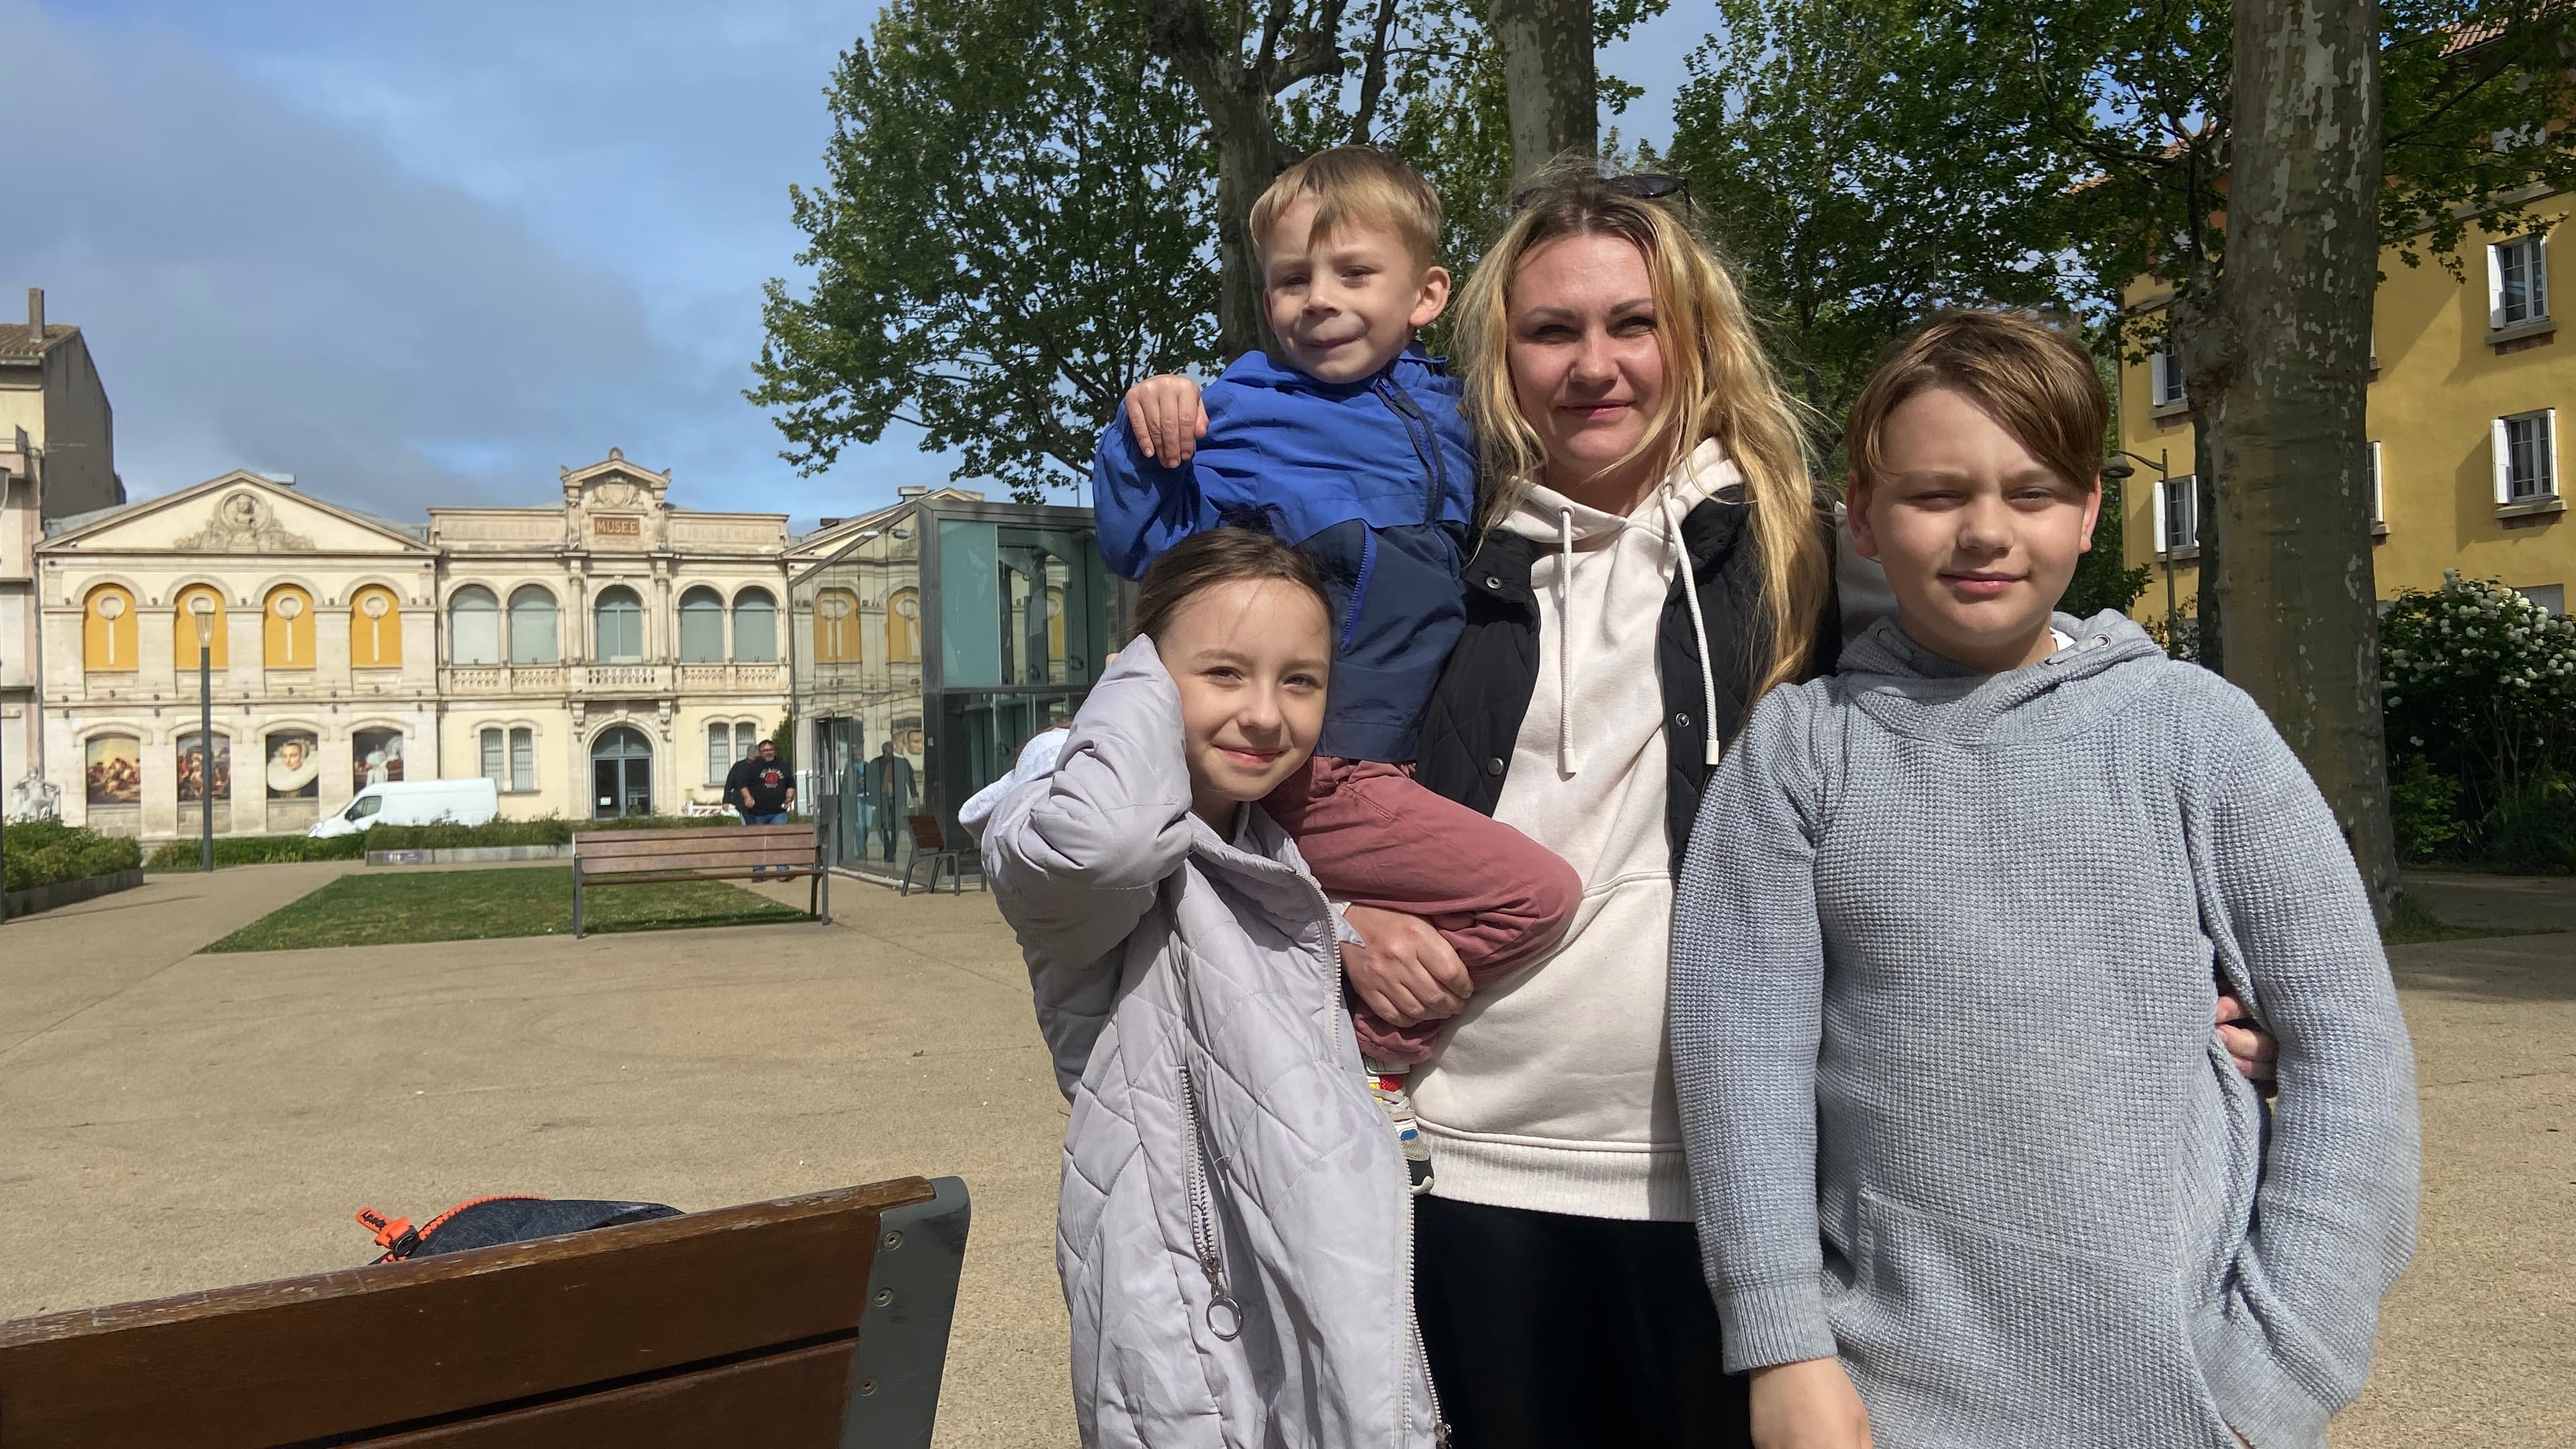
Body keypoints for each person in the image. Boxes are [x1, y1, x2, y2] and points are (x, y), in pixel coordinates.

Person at [1330, 172, 2288, 1446]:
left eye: (1635, 322)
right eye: (1552, 330)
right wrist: (1338, 914)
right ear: (1498, 351)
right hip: (1466, 1167)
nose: (1593, 365)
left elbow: (2018, 711)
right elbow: (1251, 773)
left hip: (1755, 1205)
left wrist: (2192, 969)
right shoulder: (1422, 557)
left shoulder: (1805, 552)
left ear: (1696, 336)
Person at [1671, 311, 2421, 1449]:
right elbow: (1742, 1068)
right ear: (1862, 518)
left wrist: (2283, 1367)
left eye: (2029, 493)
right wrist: (1784, 1344)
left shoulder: (2196, 735)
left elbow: (2352, 1057)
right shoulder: (1800, 751)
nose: (1985, 533)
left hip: (2189, 1405)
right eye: (1935, 495)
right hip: (1888, 1404)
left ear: (2085, 511)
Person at [1106, 146, 1580, 1180]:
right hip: (1332, 764)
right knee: (1536, 895)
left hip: (1411, 756)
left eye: (1353, 273)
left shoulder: (1462, 417)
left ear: (1427, 293)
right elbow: (1143, 545)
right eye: (1290, 279)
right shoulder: (1237, 409)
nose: (1318, 301)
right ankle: (1364, 1061)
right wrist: (1141, 428)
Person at [977, 528, 1440, 1448]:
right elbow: (1107, 844)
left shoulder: (1275, 843)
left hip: (1315, 1282)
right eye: (1223, 673)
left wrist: (1348, 928)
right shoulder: (1050, 824)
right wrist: (1125, 692)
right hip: (1184, 1298)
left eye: (1299, 680)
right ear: (1140, 680)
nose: (1265, 715)